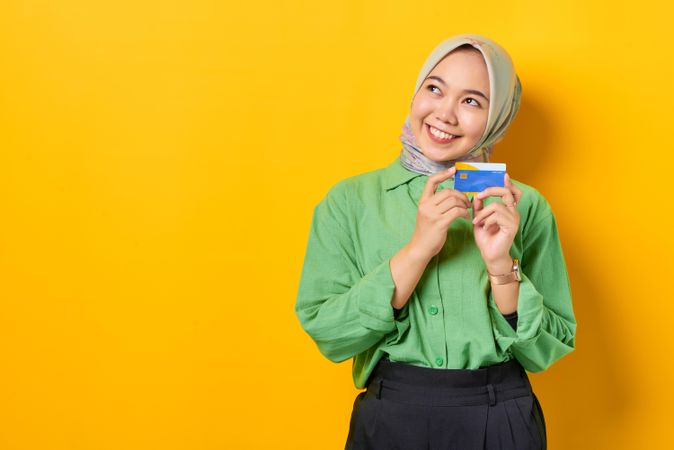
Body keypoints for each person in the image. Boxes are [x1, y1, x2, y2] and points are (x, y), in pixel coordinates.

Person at [294, 33, 576, 450]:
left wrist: (502, 268)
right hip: (392, 417)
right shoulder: (348, 202)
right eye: (434, 88)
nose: (445, 113)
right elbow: (330, 334)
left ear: (496, 117)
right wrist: (418, 249)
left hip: (500, 418)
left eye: (471, 101)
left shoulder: (523, 207)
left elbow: (547, 350)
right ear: (417, 91)